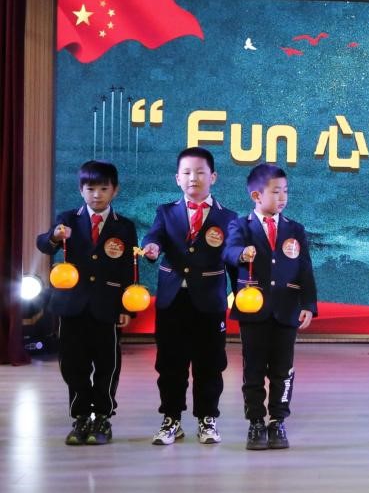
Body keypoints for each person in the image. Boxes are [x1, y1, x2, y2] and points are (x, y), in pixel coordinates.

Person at [36, 160, 137, 445]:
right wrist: (54, 236)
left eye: (103, 188)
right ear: (81, 190)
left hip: (107, 307)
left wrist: (126, 307)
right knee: (72, 364)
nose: (96, 194)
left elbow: (128, 270)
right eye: (90, 188)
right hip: (71, 306)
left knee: (107, 364)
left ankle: (102, 417)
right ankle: (80, 417)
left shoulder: (124, 226)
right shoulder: (67, 219)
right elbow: (44, 245)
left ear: (115, 190)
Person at [140, 147, 237, 445]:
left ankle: (207, 419)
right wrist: (152, 247)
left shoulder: (228, 217)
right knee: (170, 363)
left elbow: (234, 259)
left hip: (209, 301)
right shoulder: (166, 211)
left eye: (200, 172)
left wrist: (243, 295)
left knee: (210, 363)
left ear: (213, 177)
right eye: (186, 172)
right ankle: (171, 419)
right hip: (172, 300)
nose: (193, 178)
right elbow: (154, 235)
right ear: (177, 179)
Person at [223, 163, 317, 450]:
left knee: (283, 369)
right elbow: (228, 252)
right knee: (253, 368)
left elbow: (305, 269)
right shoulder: (241, 226)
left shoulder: (295, 229)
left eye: (285, 191)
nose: (282, 197)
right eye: (276, 192)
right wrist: (242, 254)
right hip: (253, 310)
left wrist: (308, 304)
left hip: (287, 309)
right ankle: (255, 422)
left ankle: (278, 420)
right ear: (256, 195)